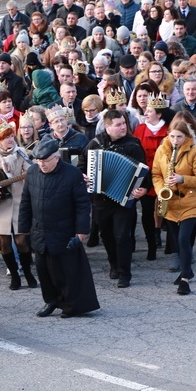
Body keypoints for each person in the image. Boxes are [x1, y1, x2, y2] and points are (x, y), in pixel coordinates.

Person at [18, 139, 99, 318]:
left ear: (56, 158)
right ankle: (51, 301)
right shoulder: (32, 172)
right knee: (43, 271)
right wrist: (23, 229)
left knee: (65, 272)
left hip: (64, 231)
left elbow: (82, 205)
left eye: (45, 161)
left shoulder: (72, 174)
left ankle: (70, 305)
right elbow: (25, 202)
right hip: (39, 230)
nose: (42, 165)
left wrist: (81, 232)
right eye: (39, 161)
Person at [79, 109, 149, 288]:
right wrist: (83, 176)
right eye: (118, 125)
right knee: (107, 235)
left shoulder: (133, 144)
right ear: (108, 127)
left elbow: (144, 172)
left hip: (125, 200)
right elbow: (81, 165)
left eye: (124, 123)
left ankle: (125, 273)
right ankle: (114, 265)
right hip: (101, 200)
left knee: (122, 236)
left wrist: (143, 188)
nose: (123, 127)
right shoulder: (95, 144)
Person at [152, 120, 196, 295]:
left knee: (184, 239)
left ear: (187, 136)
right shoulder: (162, 150)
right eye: (172, 136)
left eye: (179, 137)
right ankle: (187, 270)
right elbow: (156, 174)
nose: (175, 140)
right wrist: (161, 190)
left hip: (190, 202)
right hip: (170, 202)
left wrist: (182, 179)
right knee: (177, 242)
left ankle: (184, 279)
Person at [0, 121, 34, 289]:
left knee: (21, 240)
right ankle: (14, 276)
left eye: (12, 136)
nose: (10, 140)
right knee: (4, 242)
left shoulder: (21, 152)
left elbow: (31, 170)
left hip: (19, 202)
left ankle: (28, 272)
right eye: (6, 137)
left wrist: (28, 173)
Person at [133, 93, 173, 261]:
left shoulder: (169, 130)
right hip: (146, 176)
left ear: (159, 113)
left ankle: (172, 245)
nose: (146, 113)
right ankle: (152, 242)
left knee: (169, 210)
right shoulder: (140, 129)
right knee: (148, 211)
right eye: (146, 110)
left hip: (166, 175)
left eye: (150, 111)